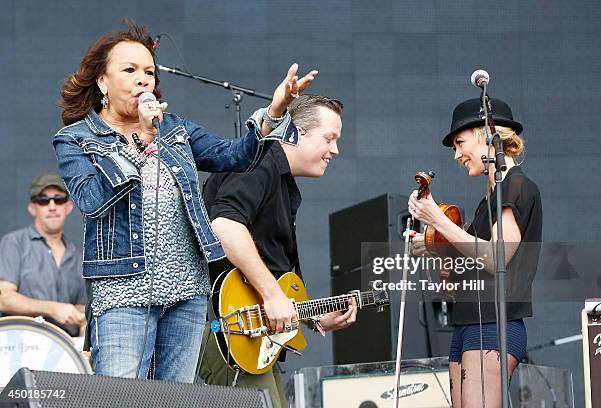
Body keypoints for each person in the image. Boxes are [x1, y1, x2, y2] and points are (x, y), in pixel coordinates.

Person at [52, 21, 317, 383]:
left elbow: (234, 156)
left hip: (186, 292)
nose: (143, 79)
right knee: (120, 397)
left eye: (149, 72)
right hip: (121, 292)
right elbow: (90, 199)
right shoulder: (76, 139)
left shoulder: (174, 129)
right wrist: (141, 140)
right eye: (130, 70)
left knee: (176, 398)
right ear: (102, 81)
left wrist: (272, 112)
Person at [198, 94, 357, 408]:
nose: (335, 150)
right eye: (329, 138)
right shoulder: (256, 161)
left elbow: (267, 278)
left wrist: (310, 315)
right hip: (225, 328)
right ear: (296, 132)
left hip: (247, 332)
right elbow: (225, 227)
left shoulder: (279, 180)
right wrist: (273, 296)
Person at [408, 98, 542, 407]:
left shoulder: (517, 187)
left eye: (460, 143)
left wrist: (436, 218)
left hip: (495, 325)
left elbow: (497, 258)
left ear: (487, 134)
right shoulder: (489, 200)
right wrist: (439, 252)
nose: (457, 155)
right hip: (467, 324)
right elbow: (462, 283)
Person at [0, 173, 87, 337]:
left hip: (66, 352)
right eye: (43, 200)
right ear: (32, 208)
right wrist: (53, 308)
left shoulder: (78, 257)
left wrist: (84, 322)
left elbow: (82, 307)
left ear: (69, 206)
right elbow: (3, 298)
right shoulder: (14, 243)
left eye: (59, 199)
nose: (52, 206)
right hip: (21, 346)